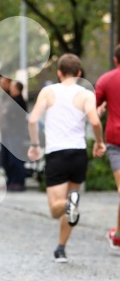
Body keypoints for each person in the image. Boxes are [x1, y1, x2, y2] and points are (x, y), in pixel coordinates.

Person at [28, 53, 106, 263]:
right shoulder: (86, 93)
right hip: (78, 154)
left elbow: (33, 119)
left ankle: (69, 205)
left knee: (56, 209)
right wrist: (99, 143)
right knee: (71, 206)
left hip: (57, 154)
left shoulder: (49, 91)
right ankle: (61, 248)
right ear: (79, 74)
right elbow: (95, 122)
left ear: (59, 73)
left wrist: (35, 146)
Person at [95, 44, 120, 250]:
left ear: (115, 59)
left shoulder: (106, 79)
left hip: (116, 140)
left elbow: (91, 106)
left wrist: (101, 109)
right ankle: (118, 235)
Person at [0, 79, 28, 191]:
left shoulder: (19, 101)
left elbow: (12, 116)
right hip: (6, 134)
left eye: (12, 86)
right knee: (5, 159)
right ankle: (10, 181)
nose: (10, 88)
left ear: (17, 89)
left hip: (15, 134)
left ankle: (19, 182)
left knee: (15, 159)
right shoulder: (10, 99)